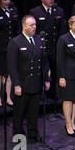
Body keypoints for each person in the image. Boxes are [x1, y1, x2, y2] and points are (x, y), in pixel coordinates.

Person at [7, 15, 50, 143]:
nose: (34, 27)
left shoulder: (39, 40)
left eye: (35, 24)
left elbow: (44, 62)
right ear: (24, 26)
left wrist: (46, 79)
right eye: (31, 25)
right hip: (22, 83)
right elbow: (12, 66)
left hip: (36, 83)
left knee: (33, 112)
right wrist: (16, 85)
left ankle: (32, 135)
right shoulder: (15, 42)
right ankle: (18, 138)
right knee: (19, 113)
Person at [29, 0, 67, 100]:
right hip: (41, 47)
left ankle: (53, 93)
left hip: (55, 46)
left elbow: (62, 30)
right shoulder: (35, 12)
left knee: (56, 70)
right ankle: (40, 93)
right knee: (41, 70)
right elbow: (33, 32)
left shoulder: (59, 11)